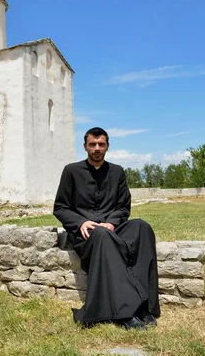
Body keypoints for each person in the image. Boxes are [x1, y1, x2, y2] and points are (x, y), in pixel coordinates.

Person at [53, 127, 160, 330]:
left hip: (111, 228)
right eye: (92, 144)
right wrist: (81, 222)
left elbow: (123, 207)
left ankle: (144, 305)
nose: (97, 148)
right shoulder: (71, 171)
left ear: (107, 146)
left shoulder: (117, 171)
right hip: (84, 233)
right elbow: (60, 208)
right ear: (85, 146)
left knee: (142, 228)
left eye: (101, 144)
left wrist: (111, 222)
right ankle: (125, 312)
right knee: (102, 234)